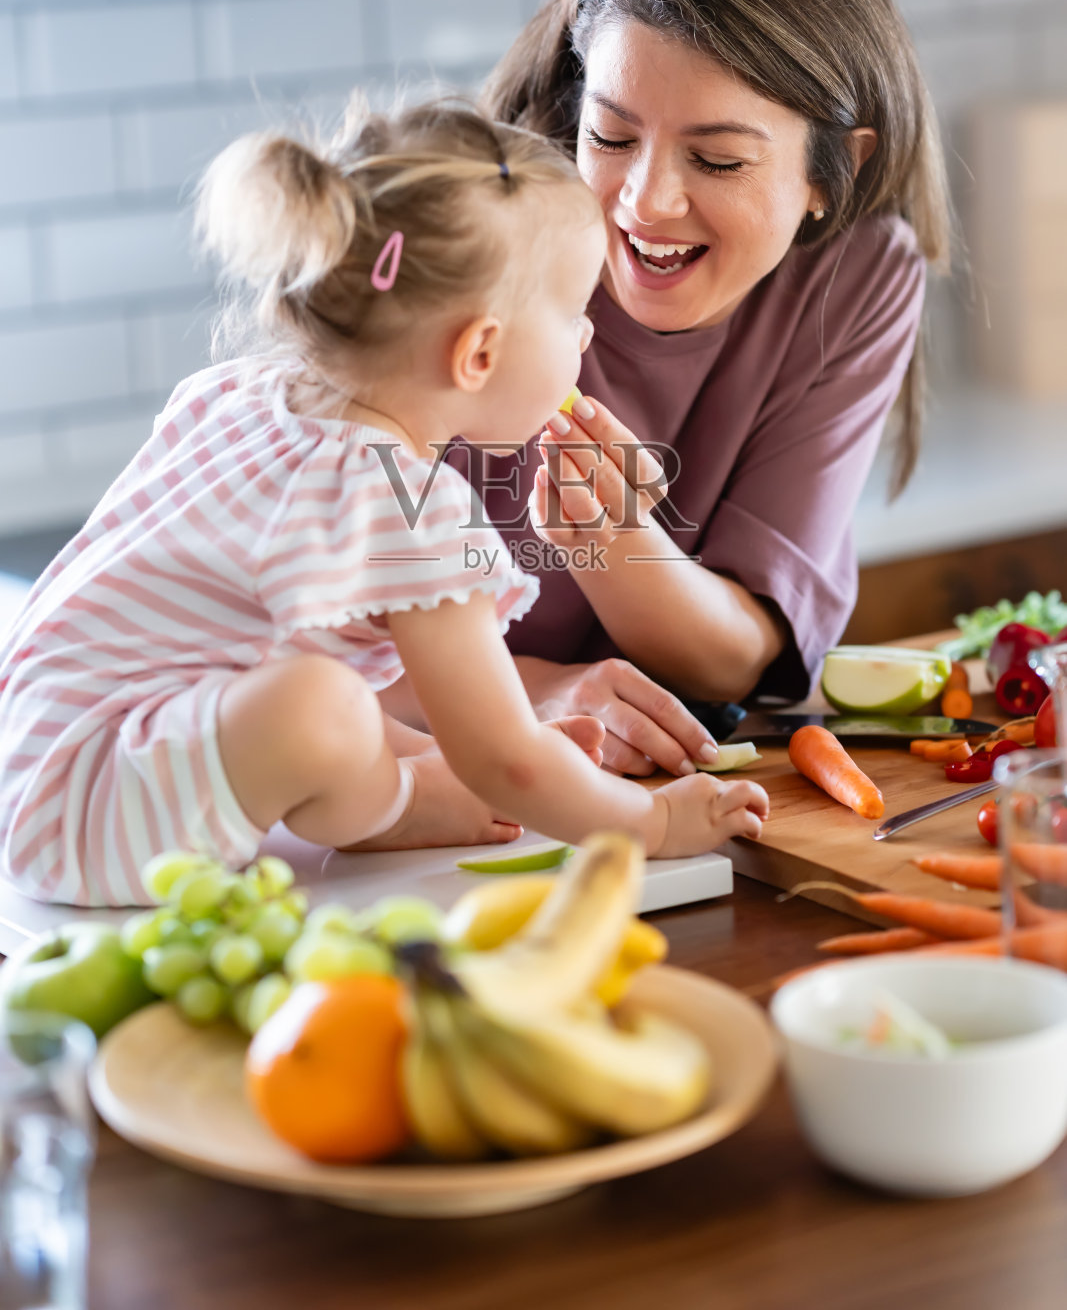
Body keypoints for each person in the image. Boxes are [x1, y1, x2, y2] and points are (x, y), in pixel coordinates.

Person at [0, 101, 768, 907]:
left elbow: (248, 655)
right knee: (318, 704)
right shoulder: (410, 501)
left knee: (312, 684)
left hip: (36, 767)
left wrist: (478, 744)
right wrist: (653, 823)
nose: (583, 341)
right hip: (88, 826)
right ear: (479, 352)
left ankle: (405, 786)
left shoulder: (238, 396)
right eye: (574, 315)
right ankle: (396, 807)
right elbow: (503, 759)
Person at [391, 0, 950, 782]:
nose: (645, 202)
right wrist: (530, 695)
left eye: (717, 159)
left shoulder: (856, 274)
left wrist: (613, 539)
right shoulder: (463, 241)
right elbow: (277, 650)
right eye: (610, 137)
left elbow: (737, 658)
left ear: (831, 172)